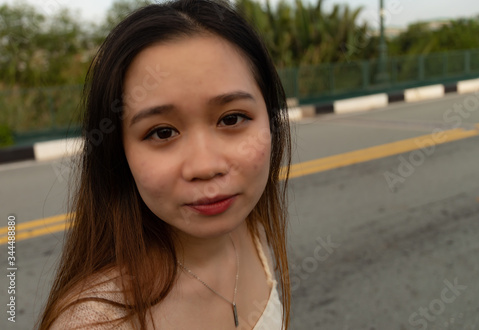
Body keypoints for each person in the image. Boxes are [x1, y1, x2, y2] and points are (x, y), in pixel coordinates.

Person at [38, 0, 292, 329]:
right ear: (119, 153)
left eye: (231, 118)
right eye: (162, 132)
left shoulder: (251, 230)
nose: (205, 166)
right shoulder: (96, 323)